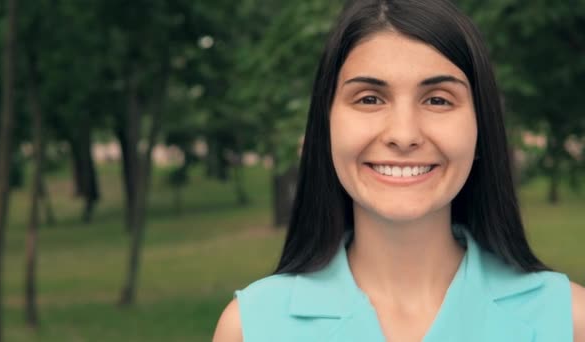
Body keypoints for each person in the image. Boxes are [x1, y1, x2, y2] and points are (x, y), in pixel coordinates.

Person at [213, 0, 585, 341]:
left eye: (438, 100)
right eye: (370, 99)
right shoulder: (251, 327)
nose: (403, 135)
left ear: (481, 129)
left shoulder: (570, 320)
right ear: (326, 126)